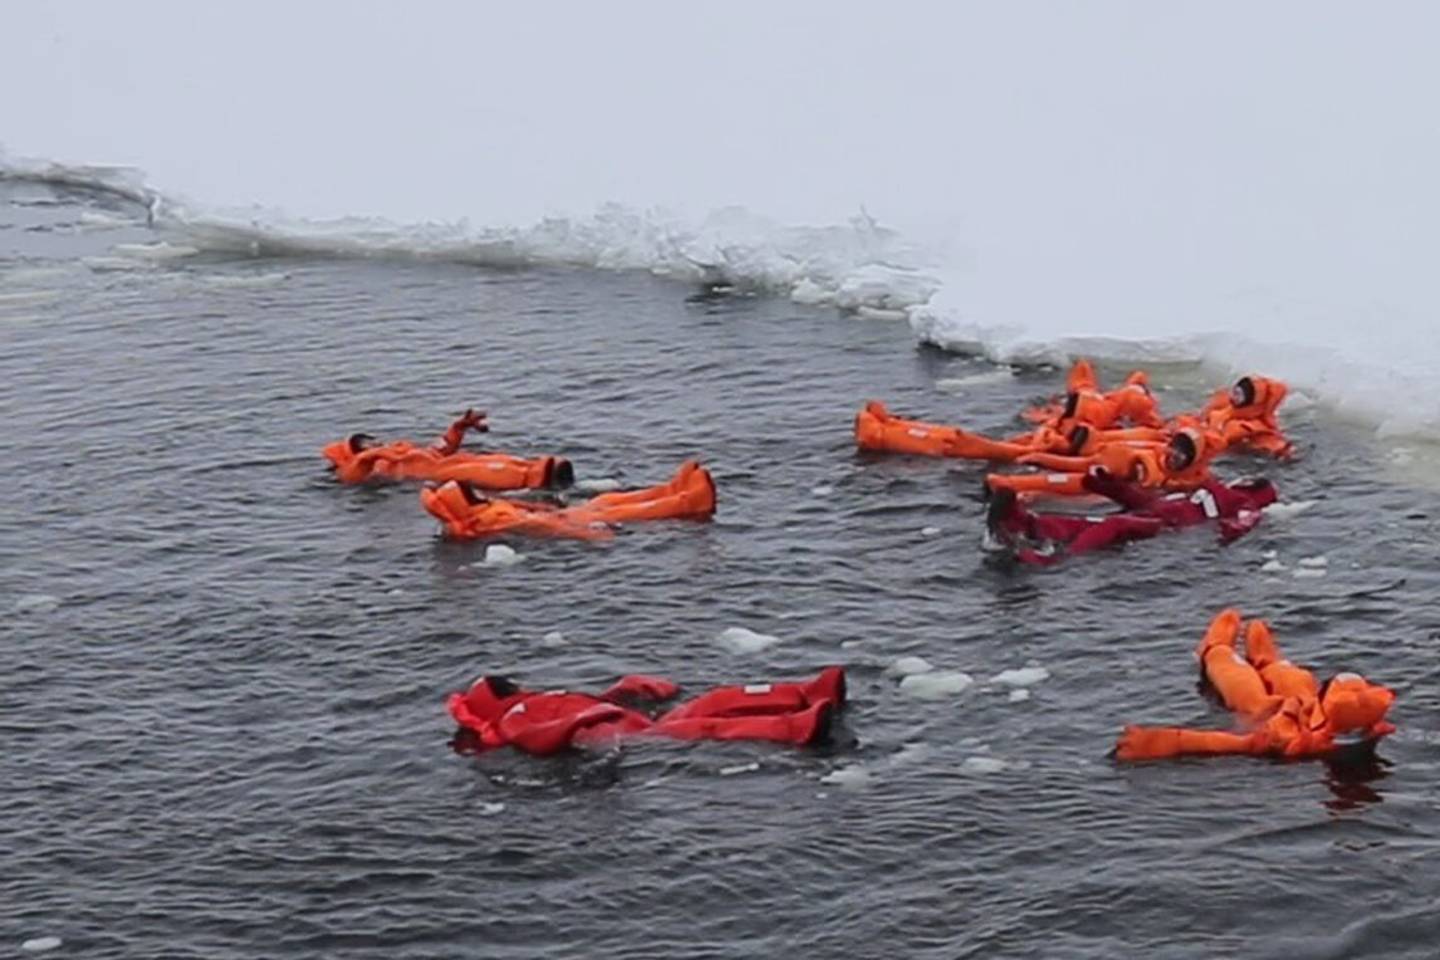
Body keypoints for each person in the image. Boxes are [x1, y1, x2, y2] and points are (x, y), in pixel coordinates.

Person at [1114, 608, 1396, 761]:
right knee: (1295, 680)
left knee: (1245, 689)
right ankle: (1265, 660)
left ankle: (1215, 649)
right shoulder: (1351, 723)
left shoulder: (1291, 740)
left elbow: (1229, 743)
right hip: (1300, 702)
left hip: (1259, 714)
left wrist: (1160, 741)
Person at [446, 666, 847, 756]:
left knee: (715, 700)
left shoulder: (538, 696)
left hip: (635, 723)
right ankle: (795, 727)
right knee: (704, 725)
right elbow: (532, 738)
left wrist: (624, 690)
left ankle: (805, 691)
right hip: (628, 738)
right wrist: (576, 723)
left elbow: (593, 704)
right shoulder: (513, 716)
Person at [420, 459, 717, 540]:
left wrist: (542, 506)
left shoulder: (484, 510)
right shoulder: (489, 519)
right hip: (567, 523)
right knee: (616, 512)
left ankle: (669, 489)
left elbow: (524, 509)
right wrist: (587, 535)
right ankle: (687, 502)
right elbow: (539, 527)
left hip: (561, 514)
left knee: (607, 499)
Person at [321, 409, 574, 490]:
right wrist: (372, 455)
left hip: (441, 463)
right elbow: (350, 476)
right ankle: (531, 478)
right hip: (435, 474)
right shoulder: (364, 468)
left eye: (370, 440)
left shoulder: (400, 451)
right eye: (362, 444)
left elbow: (442, 447)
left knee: (479, 459)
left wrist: (459, 427)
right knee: (471, 469)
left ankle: (535, 467)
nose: (372, 443)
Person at [1199, 375, 1294, 459]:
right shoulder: (1223, 405)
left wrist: (1281, 450)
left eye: (1239, 395)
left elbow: (1269, 441)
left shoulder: (1254, 426)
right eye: (1235, 392)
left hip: (1233, 455)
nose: (1234, 397)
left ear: (1249, 400)